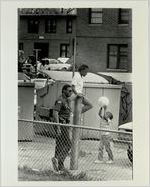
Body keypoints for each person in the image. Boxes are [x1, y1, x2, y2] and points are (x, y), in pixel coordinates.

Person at [51, 84, 73, 172]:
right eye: (69, 91)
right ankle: (59, 160)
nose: (70, 92)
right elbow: (55, 113)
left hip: (65, 124)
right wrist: (58, 127)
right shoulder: (60, 100)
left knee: (60, 144)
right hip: (61, 124)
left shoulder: (66, 100)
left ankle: (58, 165)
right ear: (64, 91)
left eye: (71, 91)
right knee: (68, 144)